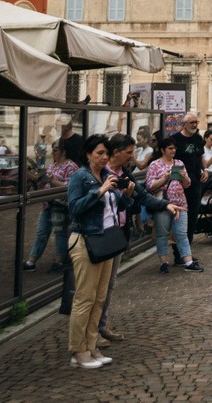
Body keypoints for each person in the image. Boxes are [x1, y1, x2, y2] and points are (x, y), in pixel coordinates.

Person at [97, 133, 178, 344]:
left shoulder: (125, 173)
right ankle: (91, 333)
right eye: (129, 153)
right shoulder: (99, 173)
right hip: (99, 234)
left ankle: (101, 326)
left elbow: (142, 195)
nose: (132, 158)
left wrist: (164, 205)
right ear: (116, 152)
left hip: (117, 232)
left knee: (109, 284)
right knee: (95, 288)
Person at [66, 134, 128, 368]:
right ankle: (78, 351)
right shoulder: (80, 177)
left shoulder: (106, 176)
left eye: (106, 154)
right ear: (88, 154)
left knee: (99, 298)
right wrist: (99, 191)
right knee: (85, 298)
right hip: (85, 240)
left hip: (105, 241)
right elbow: (74, 208)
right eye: (99, 153)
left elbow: (115, 207)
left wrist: (124, 195)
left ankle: (91, 346)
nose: (104, 158)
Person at [145, 137, 199, 274]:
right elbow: (150, 186)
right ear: (163, 150)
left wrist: (184, 177)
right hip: (163, 205)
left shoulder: (179, 163)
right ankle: (164, 262)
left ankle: (188, 261)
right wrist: (164, 178)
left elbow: (187, 184)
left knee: (181, 233)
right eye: (170, 148)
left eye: (174, 148)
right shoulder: (154, 165)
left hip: (180, 203)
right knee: (162, 234)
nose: (173, 151)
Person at [23, 141, 77, 273]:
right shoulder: (53, 165)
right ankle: (31, 261)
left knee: (60, 233)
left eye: (56, 150)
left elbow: (69, 187)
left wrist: (52, 180)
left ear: (63, 151)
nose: (53, 152)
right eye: (53, 150)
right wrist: (32, 176)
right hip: (47, 204)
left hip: (59, 205)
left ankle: (59, 261)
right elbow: (44, 182)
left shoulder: (71, 166)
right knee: (41, 232)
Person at [171, 112, 208, 244]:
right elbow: (171, 161)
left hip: (196, 180)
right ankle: (178, 249)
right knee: (180, 215)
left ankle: (188, 245)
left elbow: (201, 156)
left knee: (193, 214)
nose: (194, 125)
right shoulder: (175, 139)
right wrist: (177, 180)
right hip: (180, 183)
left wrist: (205, 170)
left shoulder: (198, 139)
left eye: (196, 122)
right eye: (192, 122)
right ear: (184, 124)